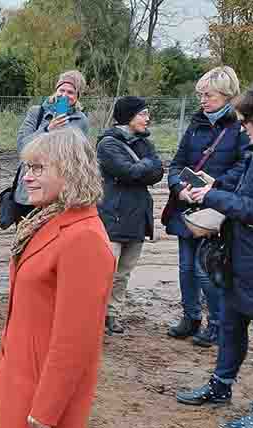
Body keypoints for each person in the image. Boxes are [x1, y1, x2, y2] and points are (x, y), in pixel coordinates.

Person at [0, 127, 115, 428]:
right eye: (27, 166)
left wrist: (47, 407)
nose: (27, 176)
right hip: (25, 376)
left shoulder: (84, 238)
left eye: (39, 168)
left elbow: (76, 339)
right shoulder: (48, 221)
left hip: (46, 391)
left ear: (71, 172)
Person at [175, 79, 253, 428]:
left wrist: (211, 198)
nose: (243, 127)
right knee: (230, 323)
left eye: (248, 121)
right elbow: (246, 194)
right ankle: (220, 385)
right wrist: (214, 190)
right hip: (244, 259)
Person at [165, 66, 248, 347]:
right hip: (186, 206)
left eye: (208, 95)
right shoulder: (196, 124)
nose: (202, 100)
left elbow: (245, 166)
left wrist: (216, 187)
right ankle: (190, 317)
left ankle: (216, 323)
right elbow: (176, 163)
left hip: (215, 209)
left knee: (207, 269)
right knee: (185, 267)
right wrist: (179, 187)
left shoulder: (240, 128)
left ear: (226, 95)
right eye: (200, 94)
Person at [96, 96, 166, 335]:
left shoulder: (144, 143)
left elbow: (157, 173)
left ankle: (112, 314)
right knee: (105, 272)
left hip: (137, 217)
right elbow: (128, 171)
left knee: (123, 273)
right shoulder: (107, 144)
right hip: (113, 216)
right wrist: (146, 166)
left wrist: (143, 167)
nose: (148, 119)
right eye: (143, 113)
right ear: (128, 116)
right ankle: (94, 315)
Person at [6, 70, 91, 226]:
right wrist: (47, 130)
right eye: (61, 90)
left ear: (77, 96)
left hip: (61, 191)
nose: (65, 95)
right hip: (30, 190)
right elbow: (22, 147)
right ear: (56, 90)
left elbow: (81, 156)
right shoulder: (36, 113)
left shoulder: (82, 120)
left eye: (71, 92)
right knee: (26, 239)